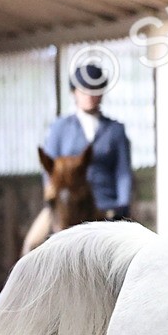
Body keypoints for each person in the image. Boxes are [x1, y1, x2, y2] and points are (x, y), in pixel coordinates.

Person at [43, 63, 133, 220]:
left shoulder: (115, 130)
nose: (90, 95)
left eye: (95, 90)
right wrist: (52, 197)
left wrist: (122, 204)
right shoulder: (60, 127)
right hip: (67, 205)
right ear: (74, 92)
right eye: (84, 90)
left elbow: (122, 172)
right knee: (32, 243)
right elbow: (49, 168)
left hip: (106, 204)